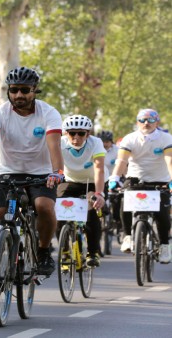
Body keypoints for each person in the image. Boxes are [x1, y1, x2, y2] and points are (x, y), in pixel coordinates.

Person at [0, 66, 64, 293]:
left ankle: (45, 250)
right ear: (8, 91)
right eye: (14, 90)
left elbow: (54, 145)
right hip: (8, 171)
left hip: (42, 172)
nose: (19, 95)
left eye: (25, 90)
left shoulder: (49, 113)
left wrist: (57, 172)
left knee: (43, 206)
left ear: (34, 90)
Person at [108, 109, 172, 263]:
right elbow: (122, 161)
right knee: (125, 203)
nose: (146, 123)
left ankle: (164, 246)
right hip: (136, 180)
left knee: (163, 213)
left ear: (157, 122)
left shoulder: (165, 138)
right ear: (137, 122)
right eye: (142, 120)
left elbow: (169, 161)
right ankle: (128, 237)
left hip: (160, 181)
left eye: (150, 120)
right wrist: (115, 177)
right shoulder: (130, 139)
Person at [59, 115, 105, 266]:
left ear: (88, 134)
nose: (76, 137)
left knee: (91, 211)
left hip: (90, 182)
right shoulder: (59, 143)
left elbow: (99, 169)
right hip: (69, 181)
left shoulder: (95, 143)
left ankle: (93, 253)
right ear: (66, 133)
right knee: (57, 210)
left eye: (81, 133)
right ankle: (64, 250)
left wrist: (99, 194)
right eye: (72, 133)